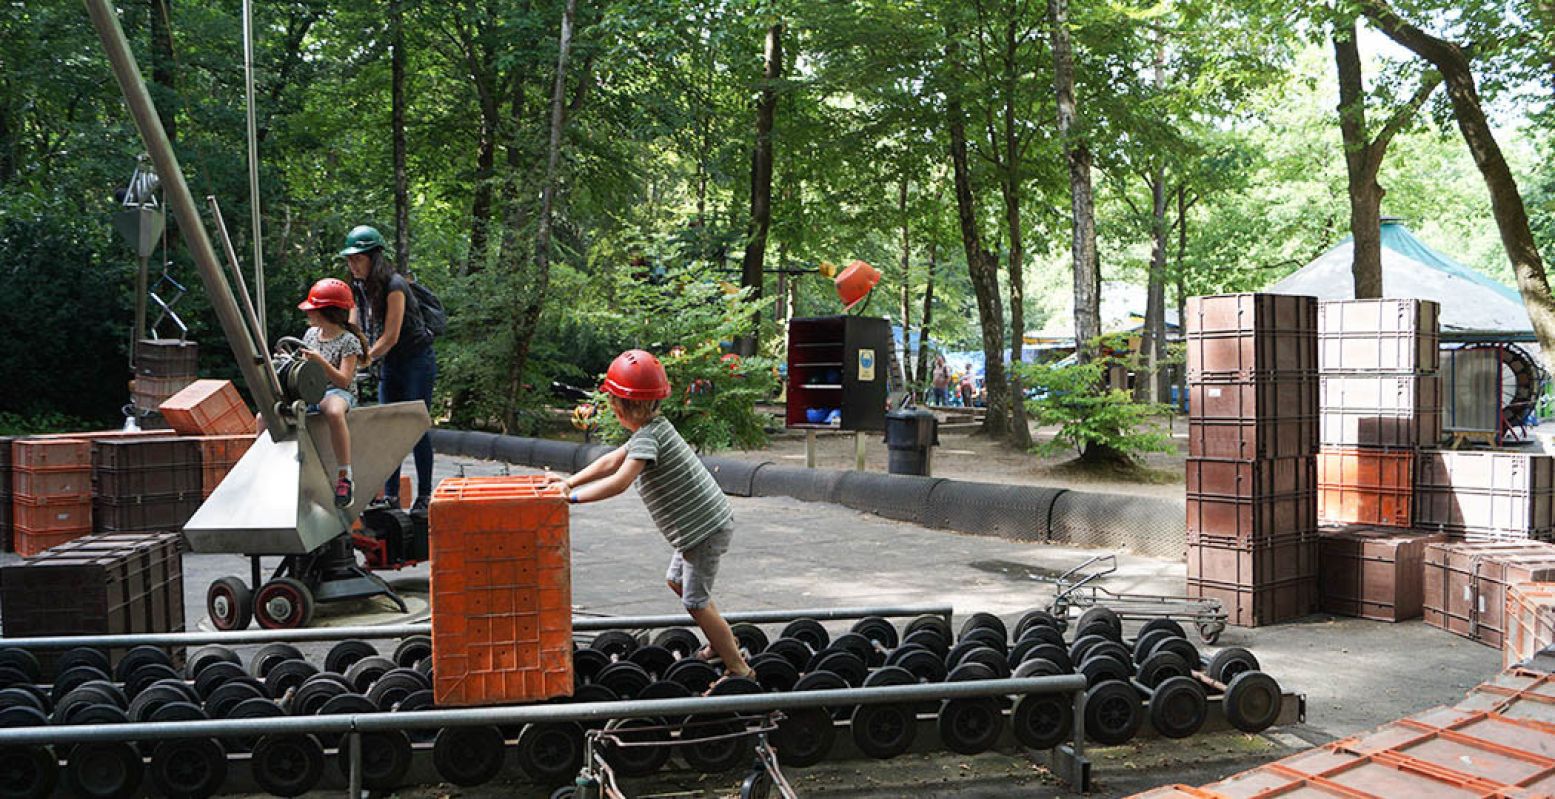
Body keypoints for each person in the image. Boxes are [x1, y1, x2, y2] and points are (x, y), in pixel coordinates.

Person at [548, 350, 754, 689]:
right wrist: (568, 482)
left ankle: (738, 668)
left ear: (621, 407)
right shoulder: (654, 428)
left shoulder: (649, 437)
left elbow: (620, 480)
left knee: (695, 601)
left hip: (703, 531)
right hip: (698, 529)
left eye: (613, 405)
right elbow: (610, 462)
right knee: (678, 583)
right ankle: (721, 646)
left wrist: (570, 498)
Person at [341, 225, 438, 515]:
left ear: (374, 257)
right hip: (391, 363)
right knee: (388, 428)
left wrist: (365, 357)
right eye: (349, 259)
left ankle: (424, 497)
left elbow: (392, 335)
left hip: (416, 361)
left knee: (415, 426)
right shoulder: (358, 286)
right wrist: (347, 349)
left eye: (357, 259)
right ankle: (392, 497)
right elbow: (354, 326)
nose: (352, 265)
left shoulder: (396, 285)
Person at [296, 278, 367, 508]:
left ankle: (344, 476)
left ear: (325, 311)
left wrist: (320, 361)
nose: (309, 314)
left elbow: (344, 381)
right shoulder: (310, 336)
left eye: (313, 310)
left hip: (337, 392)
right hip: (312, 391)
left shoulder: (348, 341)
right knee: (266, 413)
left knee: (333, 410)